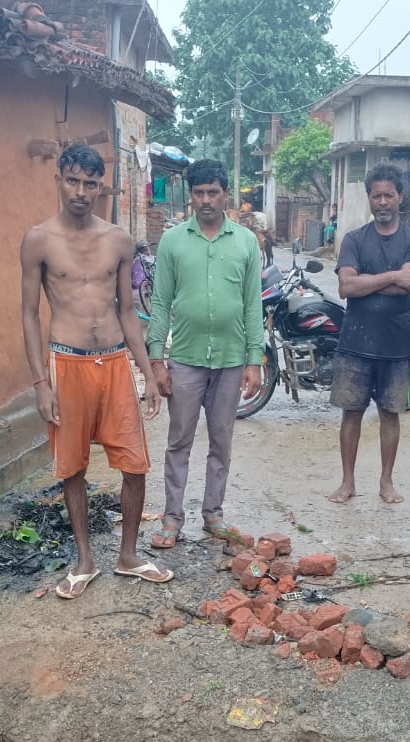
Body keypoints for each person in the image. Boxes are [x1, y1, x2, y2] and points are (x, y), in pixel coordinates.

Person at [20, 143, 173, 600]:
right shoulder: (38, 240)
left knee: (134, 464)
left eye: (91, 183)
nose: (81, 192)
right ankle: (85, 559)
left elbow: (127, 312)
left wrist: (146, 374)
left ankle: (128, 556)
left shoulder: (119, 240)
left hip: (113, 364)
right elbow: (29, 314)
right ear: (58, 180)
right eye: (73, 181)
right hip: (65, 363)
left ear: (101, 186)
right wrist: (39, 383)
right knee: (72, 468)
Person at [145, 159, 264, 549]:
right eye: (199, 193)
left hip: (231, 361)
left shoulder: (246, 242)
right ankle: (172, 518)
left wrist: (254, 360)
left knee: (221, 440)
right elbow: (160, 303)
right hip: (186, 359)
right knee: (178, 440)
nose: (206, 200)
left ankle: (213, 514)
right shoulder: (173, 241)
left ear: (225, 194)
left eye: (213, 192)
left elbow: (252, 306)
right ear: (191, 197)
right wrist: (156, 362)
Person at [327, 162, 410, 504]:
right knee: (350, 413)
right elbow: (346, 287)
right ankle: (347, 481)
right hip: (354, 343)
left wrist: (367, 283)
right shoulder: (354, 239)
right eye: (376, 196)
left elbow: (407, 285)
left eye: (389, 195)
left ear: (400, 197)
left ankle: (386, 482)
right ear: (369, 198)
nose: (382, 201)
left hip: (395, 344)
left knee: (390, 414)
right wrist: (391, 277)